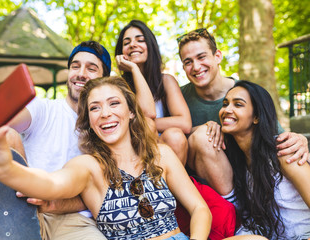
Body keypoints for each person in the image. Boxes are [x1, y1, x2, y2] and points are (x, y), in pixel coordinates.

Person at [0, 76, 213, 240]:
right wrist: (6, 169)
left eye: (114, 103)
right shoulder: (89, 167)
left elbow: (199, 208)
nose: (105, 114)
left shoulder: (162, 155)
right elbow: (50, 184)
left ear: (130, 112)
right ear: (89, 120)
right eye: (95, 108)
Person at [177, 28, 309, 196]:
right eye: (188, 62)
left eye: (201, 57)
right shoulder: (178, 97)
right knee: (203, 135)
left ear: (217, 56)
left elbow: (274, 137)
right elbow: (167, 136)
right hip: (206, 182)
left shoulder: (247, 93)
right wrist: (201, 128)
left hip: (249, 177)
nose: (196, 67)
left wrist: (300, 139)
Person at [6, 41, 111, 240]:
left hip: (74, 220)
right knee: (6, 133)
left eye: (91, 68)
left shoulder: (109, 126)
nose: (81, 73)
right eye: (75, 66)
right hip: (22, 212)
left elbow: (102, 193)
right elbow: (8, 120)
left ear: (104, 79)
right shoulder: (43, 108)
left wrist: (53, 204)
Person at [220, 80, 310, 239]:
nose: (227, 110)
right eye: (225, 104)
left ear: (256, 117)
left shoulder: (284, 152)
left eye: (238, 105)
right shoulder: (239, 159)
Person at [115, 20, 191, 165]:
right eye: (126, 43)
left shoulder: (166, 81)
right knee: (148, 126)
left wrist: (146, 122)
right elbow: (146, 112)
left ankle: (172, 185)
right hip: (133, 151)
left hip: (165, 149)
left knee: (174, 135)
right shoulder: (117, 86)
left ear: (150, 46)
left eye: (140, 40)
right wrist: (134, 69)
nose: (132, 45)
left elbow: (185, 123)